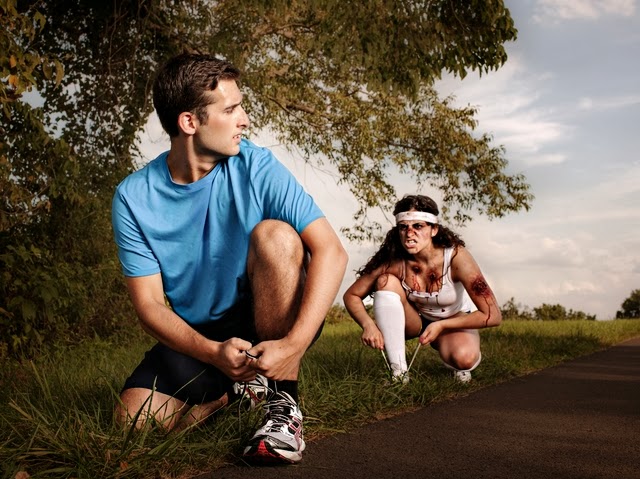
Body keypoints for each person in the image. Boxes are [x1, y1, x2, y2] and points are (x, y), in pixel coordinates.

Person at [111, 52, 348, 464]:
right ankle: (229, 395)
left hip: (268, 315)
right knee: (132, 426)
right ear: (190, 122)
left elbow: (332, 250)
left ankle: (281, 404)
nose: (245, 119)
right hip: (199, 334)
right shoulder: (133, 198)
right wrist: (209, 352)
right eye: (231, 109)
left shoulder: (256, 163)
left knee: (276, 235)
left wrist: (292, 345)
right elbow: (148, 305)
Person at [343, 194, 501, 384]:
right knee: (385, 281)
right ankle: (399, 374)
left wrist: (441, 325)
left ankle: (451, 354)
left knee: (463, 359)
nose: (409, 234)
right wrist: (368, 325)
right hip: (416, 320)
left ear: (434, 229)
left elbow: (493, 316)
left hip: (453, 319)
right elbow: (351, 295)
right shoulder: (394, 262)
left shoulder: (456, 258)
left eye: (418, 226)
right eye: (404, 227)